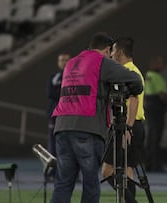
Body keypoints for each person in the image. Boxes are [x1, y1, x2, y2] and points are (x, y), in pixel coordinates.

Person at [50, 32, 143, 203]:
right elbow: (136, 80)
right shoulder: (101, 61)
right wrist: (127, 90)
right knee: (91, 183)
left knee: (63, 183)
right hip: (87, 128)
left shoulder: (71, 63)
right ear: (107, 50)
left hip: (62, 127)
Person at [101, 37, 145, 203]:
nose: (110, 55)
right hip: (135, 125)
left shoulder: (126, 73)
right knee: (128, 173)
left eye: (112, 51)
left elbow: (134, 100)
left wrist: (128, 127)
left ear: (119, 52)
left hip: (127, 125)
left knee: (107, 171)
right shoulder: (135, 70)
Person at [45, 53, 70, 181]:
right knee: (53, 147)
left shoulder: (74, 76)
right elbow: (50, 93)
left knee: (70, 147)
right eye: (61, 60)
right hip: (55, 116)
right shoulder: (54, 77)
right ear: (58, 62)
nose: (64, 62)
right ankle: (52, 174)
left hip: (69, 117)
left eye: (66, 60)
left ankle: (70, 174)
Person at [144, 55, 167, 172]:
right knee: (155, 137)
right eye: (159, 63)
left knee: (151, 136)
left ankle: (149, 163)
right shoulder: (156, 77)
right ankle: (155, 165)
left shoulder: (148, 76)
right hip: (156, 108)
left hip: (149, 106)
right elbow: (162, 94)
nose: (161, 65)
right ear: (154, 64)